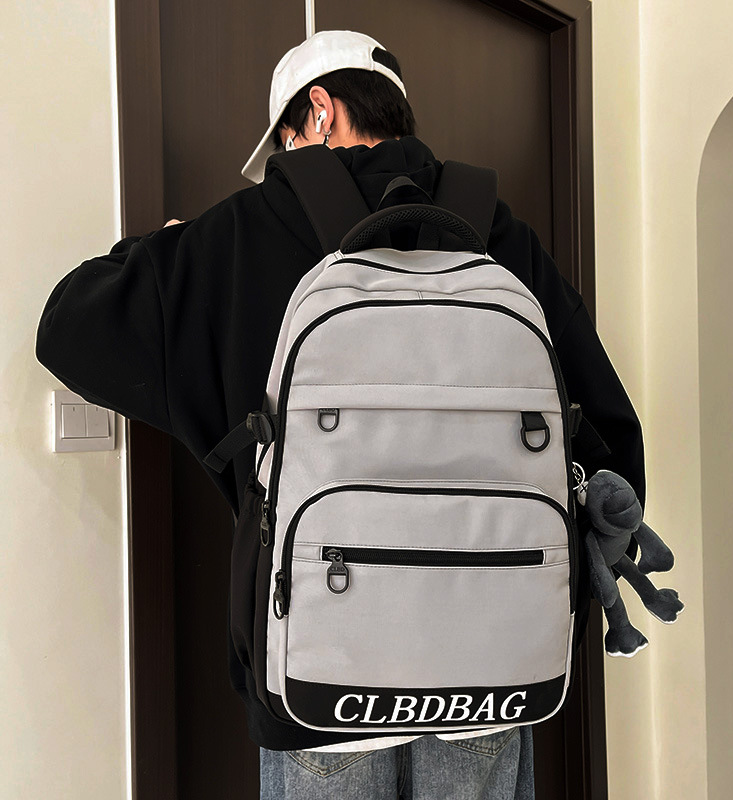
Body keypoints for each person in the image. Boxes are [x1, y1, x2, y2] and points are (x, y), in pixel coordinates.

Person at [35, 29, 645, 800]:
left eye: (286, 137)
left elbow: (69, 328)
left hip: (321, 674)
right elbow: (608, 443)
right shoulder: (496, 232)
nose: (288, 154)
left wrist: (166, 249)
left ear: (318, 111)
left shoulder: (242, 231)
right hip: (490, 675)